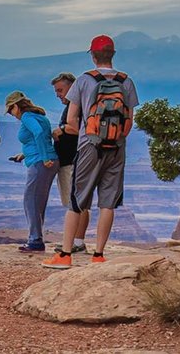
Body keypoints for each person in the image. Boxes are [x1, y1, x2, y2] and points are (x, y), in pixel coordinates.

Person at [43, 35, 139, 269]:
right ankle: (98, 254)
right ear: (113, 54)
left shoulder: (85, 81)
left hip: (89, 146)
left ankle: (65, 255)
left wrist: (85, 132)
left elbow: (73, 117)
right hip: (117, 147)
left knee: (77, 199)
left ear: (93, 55)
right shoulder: (127, 81)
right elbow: (129, 121)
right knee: (108, 202)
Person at [7, 91, 59, 253]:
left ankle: (35, 240)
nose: (10, 114)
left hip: (40, 163)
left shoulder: (27, 117)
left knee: (30, 200)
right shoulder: (39, 116)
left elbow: (38, 133)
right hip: (46, 160)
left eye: (10, 110)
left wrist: (43, 157)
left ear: (16, 106)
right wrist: (23, 154)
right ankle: (36, 238)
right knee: (38, 202)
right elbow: (41, 138)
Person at [50, 72, 89, 253]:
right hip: (76, 160)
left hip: (71, 162)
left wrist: (62, 129)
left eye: (60, 90)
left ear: (71, 87)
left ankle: (75, 243)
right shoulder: (77, 104)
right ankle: (78, 241)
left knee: (74, 204)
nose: (58, 94)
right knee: (80, 203)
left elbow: (79, 128)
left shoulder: (77, 106)